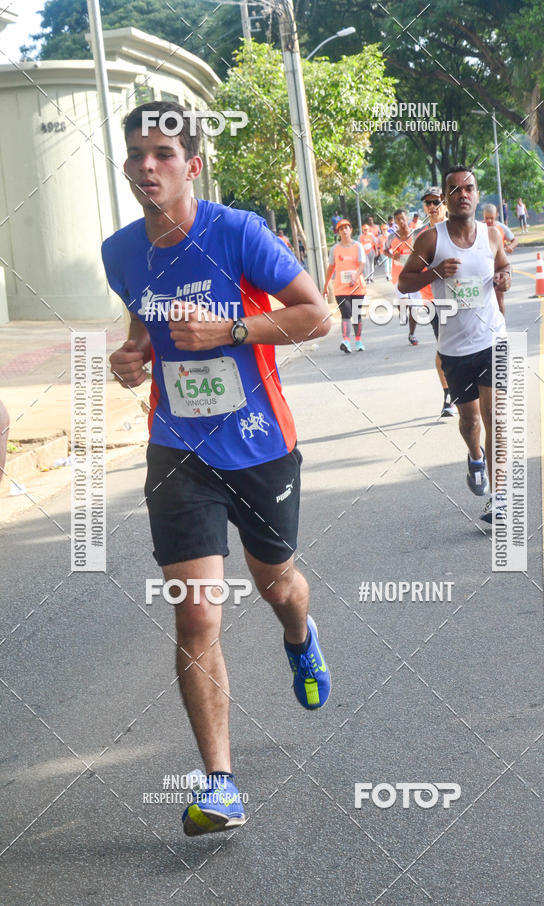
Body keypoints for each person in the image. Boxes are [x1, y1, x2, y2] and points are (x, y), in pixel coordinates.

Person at [103, 101, 332, 836]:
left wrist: (232, 327)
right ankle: (220, 784)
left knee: (278, 586)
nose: (148, 165)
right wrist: (133, 358)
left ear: (191, 165)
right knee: (198, 611)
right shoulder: (120, 252)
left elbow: (316, 313)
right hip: (178, 451)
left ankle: (301, 638)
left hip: (260, 445)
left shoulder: (237, 233)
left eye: (163, 154)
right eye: (137, 153)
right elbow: (143, 323)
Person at [398, 165, 511, 522]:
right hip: (454, 348)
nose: (463, 194)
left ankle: (500, 497)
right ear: (446, 198)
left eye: (469, 188)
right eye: (455, 189)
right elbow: (403, 283)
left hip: (492, 338)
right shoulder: (431, 240)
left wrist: (504, 278)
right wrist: (434, 272)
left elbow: (503, 266)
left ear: (477, 195)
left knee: (496, 418)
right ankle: (475, 457)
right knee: (469, 420)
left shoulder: (491, 236)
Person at [413, 186, 457, 416]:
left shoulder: (459, 230)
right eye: (428, 203)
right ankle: (448, 394)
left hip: (462, 299)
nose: (432, 207)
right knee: (443, 348)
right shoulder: (422, 238)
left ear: (446, 204)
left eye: (436, 202)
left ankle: (470, 389)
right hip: (434, 302)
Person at [323, 219, 367, 352]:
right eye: (341, 229)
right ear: (338, 232)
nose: (344, 231)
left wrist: (355, 275)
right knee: (346, 314)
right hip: (341, 288)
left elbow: (362, 265)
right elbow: (331, 268)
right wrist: (325, 285)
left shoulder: (358, 246)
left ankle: (358, 341)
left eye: (346, 228)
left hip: (357, 287)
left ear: (351, 230)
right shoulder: (335, 249)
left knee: (356, 314)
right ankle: (346, 341)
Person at [384, 208, 419, 345]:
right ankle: (401, 310)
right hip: (399, 276)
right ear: (395, 222)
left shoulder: (416, 235)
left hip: (414, 274)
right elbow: (385, 250)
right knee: (405, 304)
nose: (401, 221)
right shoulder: (392, 237)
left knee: (414, 307)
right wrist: (393, 255)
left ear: (407, 219)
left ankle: (412, 334)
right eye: (398, 219)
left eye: (403, 218)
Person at [482, 203, 518, 316]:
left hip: (498, 268)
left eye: (491, 218)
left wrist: (510, 247)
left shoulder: (500, 227)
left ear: (496, 215)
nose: (489, 221)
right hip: (484, 270)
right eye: (486, 218)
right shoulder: (478, 228)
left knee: (499, 298)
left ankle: (501, 322)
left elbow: (515, 240)